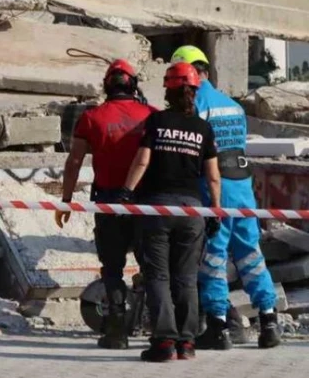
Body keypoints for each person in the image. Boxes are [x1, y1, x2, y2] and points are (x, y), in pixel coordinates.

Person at [170, 45, 281, 349]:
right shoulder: (234, 106)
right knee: (251, 255)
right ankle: (269, 320)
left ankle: (218, 327)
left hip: (214, 192)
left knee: (214, 259)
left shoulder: (196, 105)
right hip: (243, 189)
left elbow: (193, 152)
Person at [122, 62, 222, 362]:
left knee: (159, 276)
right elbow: (213, 176)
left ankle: (164, 342)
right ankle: (187, 343)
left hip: (157, 209)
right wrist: (215, 211)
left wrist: (125, 195)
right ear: (194, 90)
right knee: (187, 277)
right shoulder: (204, 129)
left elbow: (141, 162)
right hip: (192, 211)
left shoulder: (157, 121)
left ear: (168, 89)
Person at [56, 59, 155, 349]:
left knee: (112, 267)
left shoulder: (92, 118)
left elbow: (74, 161)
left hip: (108, 202)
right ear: (134, 85)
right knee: (152, 265)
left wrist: (65, 200)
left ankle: (116, 330)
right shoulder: (152, 115)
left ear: (106, 86)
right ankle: (158, 327)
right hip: (145, 203)